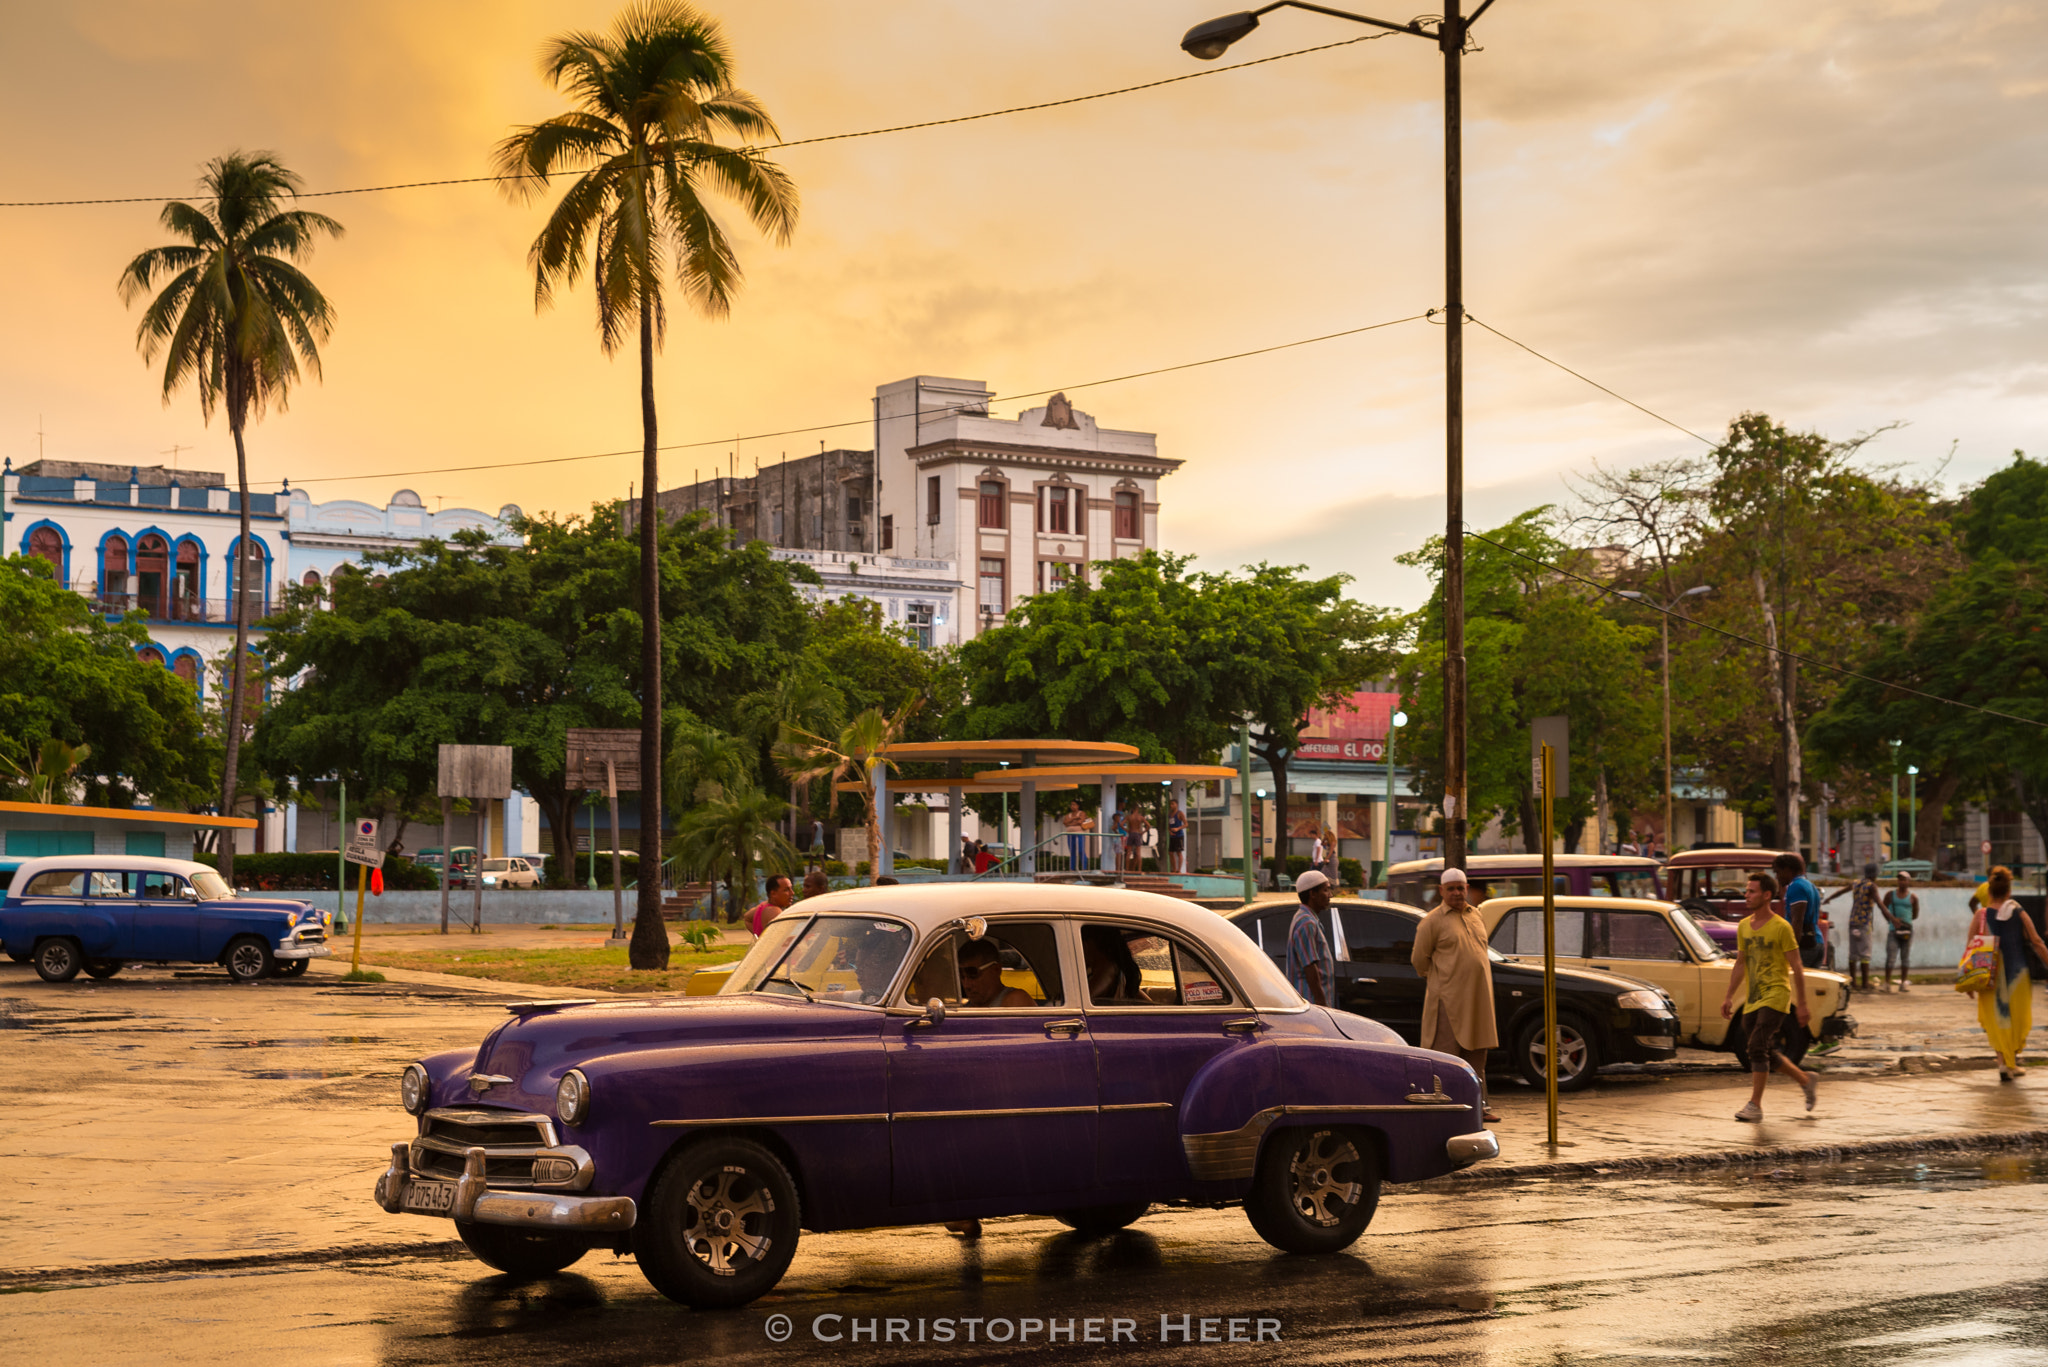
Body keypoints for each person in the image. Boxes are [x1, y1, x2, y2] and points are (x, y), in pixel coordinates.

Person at [1720, 871, 1818, 1122]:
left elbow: (1796, 965)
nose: (1746, 895)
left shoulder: (1781, 927)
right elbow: (1740, 963)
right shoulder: (1744, 926)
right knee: (1760, 1048)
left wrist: (1803, 1005)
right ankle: (1805, 1080)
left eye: (1751, 891)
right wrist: (1729, 996)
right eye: (1746, 890)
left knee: (1755, 1045)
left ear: (1766, 895)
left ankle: (1755, 1105)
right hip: (1754, 996)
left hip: (1776, 994)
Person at [1410, 868, 1501, 1123]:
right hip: (1447, 1001)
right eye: (1451, 888)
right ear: (1441, 891)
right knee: (1446, 1058)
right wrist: (1443, 980)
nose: (1457, 893)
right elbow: (1419, 961)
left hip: (1479, 1000)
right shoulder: (1432, 921)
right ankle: (1443, 1109)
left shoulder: (1476, 916)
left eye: (1461, 888)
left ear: (1467, 888)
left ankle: (1480, 1108)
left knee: (1477, 1058)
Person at [1971, 865, 2048, 1082]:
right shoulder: (2018, 911)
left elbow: (1970, 947)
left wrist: (1968, 981)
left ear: (1989, 891)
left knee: (1998, 1018)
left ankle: (2003, 1064)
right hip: (2018, 975)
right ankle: (2011, 1061)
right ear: (2008, 891)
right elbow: (2036, 941)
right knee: (2017, 1017)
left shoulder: (1981, 915)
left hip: (1989, 976)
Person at [1823, 862, 1885, 990]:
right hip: (1864, 923)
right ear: (1875, 875)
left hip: (1853, 923)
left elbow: (1841, 891)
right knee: (1865, 954)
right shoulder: (1871, 886)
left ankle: (1853, 982)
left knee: (1853, 953)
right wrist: (1891, 918)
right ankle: (1865, 983)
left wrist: (1829, 898)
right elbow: (1879, 903)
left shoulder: (1856, 883)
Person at [1285, 869, 1336, 1008]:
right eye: (1325, 890)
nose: (1330, 895)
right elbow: (1309, 966)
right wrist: (1321, 1003)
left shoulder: (1308, 919)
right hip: (1311, 1002)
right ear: (1312, 894)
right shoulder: (1306, 923)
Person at [1772, 853, 1823, 969]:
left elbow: (1797, 920)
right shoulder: (1809, 884)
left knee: (1794, 983)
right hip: (1816, 940)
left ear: (1787, 869)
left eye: (1778, 872)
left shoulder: (1796, 886)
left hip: (1805, 946)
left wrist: (1791, 948)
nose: (1777, 877)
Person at [958, 938, 1034, 1009]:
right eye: (961, 976)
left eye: (973, 975)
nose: (966, 985)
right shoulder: (964, 1008)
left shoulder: (1014, 1001)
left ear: (996, 970)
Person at [1082, 925, 1141, 1002]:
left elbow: (1083, 1000)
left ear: (1091, 944)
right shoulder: (1113, 970)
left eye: (1081, 943)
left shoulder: (1107, 971)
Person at [1882, 870, 1919, 991]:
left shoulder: (1913, 897)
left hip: (1907, 931)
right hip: (1893, 930)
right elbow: (1883, 908)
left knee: (1905, 957)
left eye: (1904, 879)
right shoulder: (1890, 895)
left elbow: (1915, 914)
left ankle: (1903, 983)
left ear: (1909, 881)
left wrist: (1905, 922)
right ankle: (1887, 982)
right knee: (1891, 957)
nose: (1902, 882)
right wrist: (1891, 920)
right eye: (1900, 879)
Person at [745, 874, 794, 938]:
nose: (792, 893)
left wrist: (760, 938)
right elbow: (785, 939)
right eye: (786, 890)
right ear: (773, 893)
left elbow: (747, 918)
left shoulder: (762, 907)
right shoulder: (774, 911)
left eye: (791, 889)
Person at [1062, 801, 1093, 871]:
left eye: (1074, 804)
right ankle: (1072, 868)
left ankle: (1084, 868)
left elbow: (1080, 822)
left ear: (1078, 806)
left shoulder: (1081, 813)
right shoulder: (1068, 815)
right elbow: (1065, 822)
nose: (1072, 806)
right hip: (1070, 834)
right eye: (1071, 805)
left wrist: (1070, 822)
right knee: (1072, 851)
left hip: (1079, 833)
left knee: (1081, 850)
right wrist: (1074, 818)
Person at [1124, 806, 1151, 873]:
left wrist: (1127, 830)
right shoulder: (1140, 817)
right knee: (1138, 853)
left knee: (1128, 853)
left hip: (1131, 833)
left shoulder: (1129, 817)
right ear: (1137, 809)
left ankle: (1127, 869)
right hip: (1138, 833)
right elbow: (1148, 825)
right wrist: (1143, 832)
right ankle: (1139, 869)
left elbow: (1121, 824)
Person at [1168, 801, 1187, 875]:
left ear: (1176, 805)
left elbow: (1186, 824)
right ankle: (1174, 869)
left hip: (1179, 835)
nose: (1171, 805)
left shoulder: (1180, 813)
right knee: (1170, 852)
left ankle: (1179, 870)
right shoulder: (1170, 815)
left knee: (1179, 852)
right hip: (1172, 835)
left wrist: (1178, 828)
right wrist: (1169, 831)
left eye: (1173, 804)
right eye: (1170, 804)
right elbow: (1169, 825)